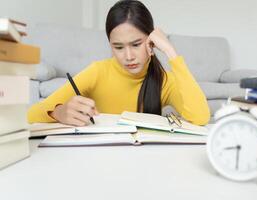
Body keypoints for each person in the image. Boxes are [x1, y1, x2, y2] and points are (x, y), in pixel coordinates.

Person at [27, 0, 210, 126]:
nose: (128, 56)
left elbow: (200, 117)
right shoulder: (97, 72)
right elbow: (30, 115)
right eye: (118, 47)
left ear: (151, 41)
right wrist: (58, 113)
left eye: (136, 44)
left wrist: (171, 52)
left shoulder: (164, 80)